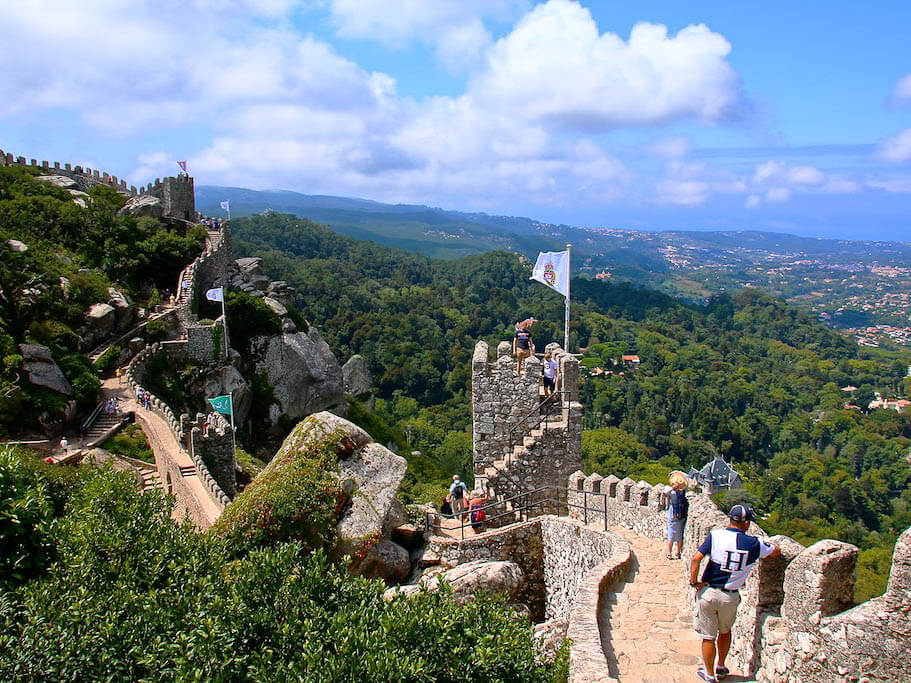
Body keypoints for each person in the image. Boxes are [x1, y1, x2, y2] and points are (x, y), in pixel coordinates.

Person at [690, 504, 781, 682]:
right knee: (725, 632)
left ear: (730, 519)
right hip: (730, 596)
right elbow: (776, 552)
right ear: (746, 523)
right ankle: (721, 666)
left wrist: (695, 582)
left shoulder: (715, 536)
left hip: (708, 593)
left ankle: (709, 675)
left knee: (708, 637)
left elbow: (696, 558)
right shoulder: (754, 544)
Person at [666, 471, 689, 559]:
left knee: (671, 535)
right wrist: (680, 473)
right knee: (679, 535)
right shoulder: (682, 492)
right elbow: (688, 477)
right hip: (681, 514)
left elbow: (665, 492)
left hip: (672, 515)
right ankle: (678, 553)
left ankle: (669, 553)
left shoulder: (671, 492)